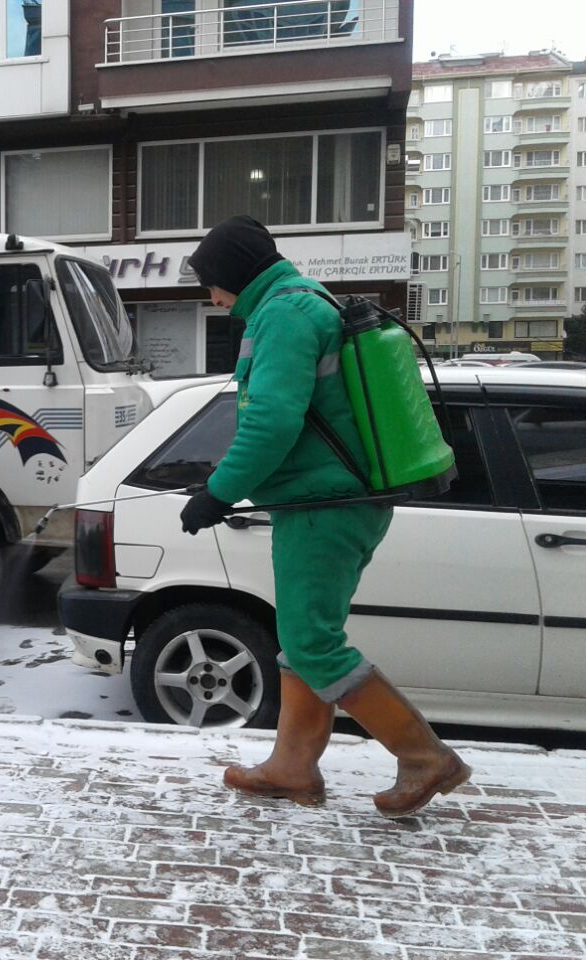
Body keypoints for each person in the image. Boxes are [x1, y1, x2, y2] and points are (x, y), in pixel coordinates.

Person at [180, 215, 470, 819]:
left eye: (211, 282)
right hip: (332, 501)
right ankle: (291, 768)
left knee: (311, 641)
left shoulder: (283, 314)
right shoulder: (303, 303)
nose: (212, 297)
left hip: (325, 504)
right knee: (304, 637)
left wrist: (219, 492)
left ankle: (424, 757)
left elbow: (272, 423)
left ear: (234, 274)